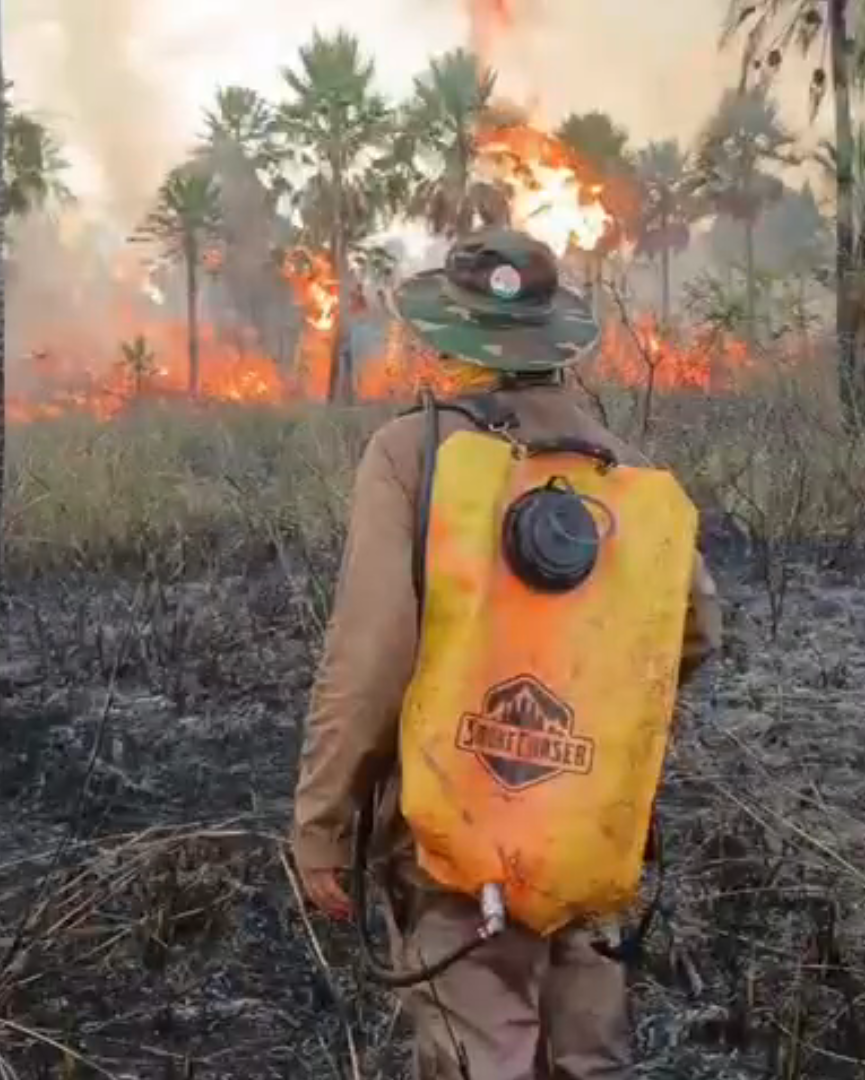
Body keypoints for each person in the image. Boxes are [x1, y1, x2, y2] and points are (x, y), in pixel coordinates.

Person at [290, 228, 723, 1080]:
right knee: (588, 1059)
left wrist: (321, 823)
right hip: (588, 830)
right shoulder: (627, 471)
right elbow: (699, 626)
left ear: (448, 343)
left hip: (456, 839)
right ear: (553, 342)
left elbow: (371, 657)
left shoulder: (413, 454)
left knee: (482, 1058)